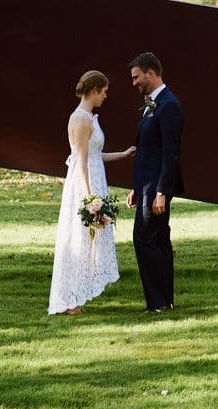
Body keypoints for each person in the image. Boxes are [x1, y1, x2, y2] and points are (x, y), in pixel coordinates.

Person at [49, 70, 135, 315]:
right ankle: (69, 299)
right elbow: (82, 160)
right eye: (104, 92)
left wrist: (122, 154)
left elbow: (95, 155)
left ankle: (77, 295)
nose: (106, 97)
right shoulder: (81, 119)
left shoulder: (90, 117)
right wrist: (90, 198)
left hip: (96, 179)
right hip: (85, 183)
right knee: (79, 238)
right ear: (95, 90)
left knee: (90, 240)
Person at [128, 52, 184, 312]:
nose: (134, 82)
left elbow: (169, 153)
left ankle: (158, 302)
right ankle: (164, 301)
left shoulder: (169, 105)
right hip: (146, 187)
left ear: (151, 73)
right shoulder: (152, 104)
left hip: (157, 188)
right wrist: (136, 188)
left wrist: (161, 191)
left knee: (145, 238)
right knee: (158, 239)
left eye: (137, 77)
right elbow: (147, 150)